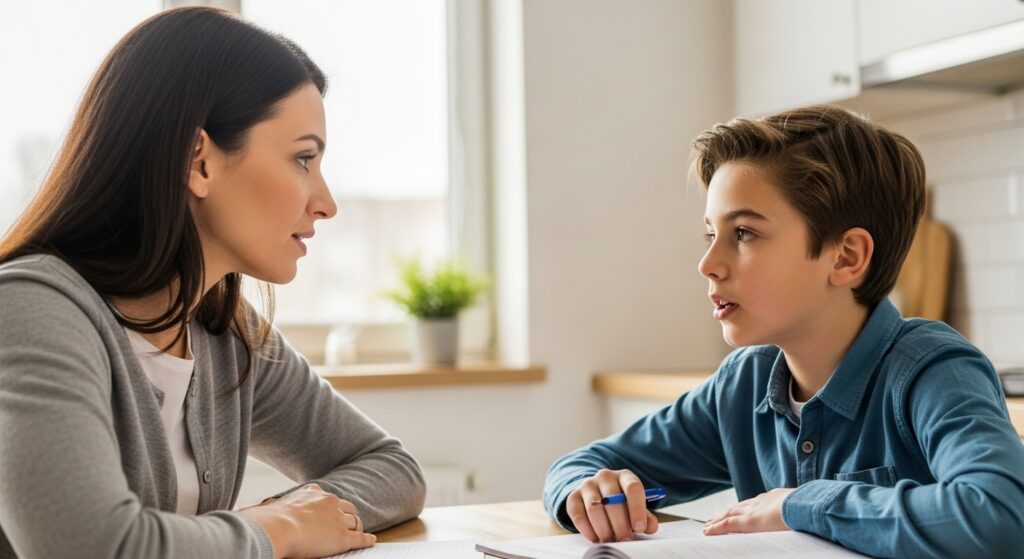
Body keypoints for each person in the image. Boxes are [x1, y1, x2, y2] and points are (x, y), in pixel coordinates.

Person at [0, 7, 425, 559]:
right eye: (302, 159)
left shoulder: (221, 331)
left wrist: (291, 518)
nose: (326, 203)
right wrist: (279, 529)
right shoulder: (31, 310)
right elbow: (86, 546)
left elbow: (393, 470)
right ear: (197, 161)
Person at [542, 105, 1024, 558]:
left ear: (846, 257)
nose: (708, 264)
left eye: (744, 233)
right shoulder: (743, 384)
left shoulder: (933, 371)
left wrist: (802, 503)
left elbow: (1001, 517)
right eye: (711, 234)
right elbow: (579, 466)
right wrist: (583, 493)